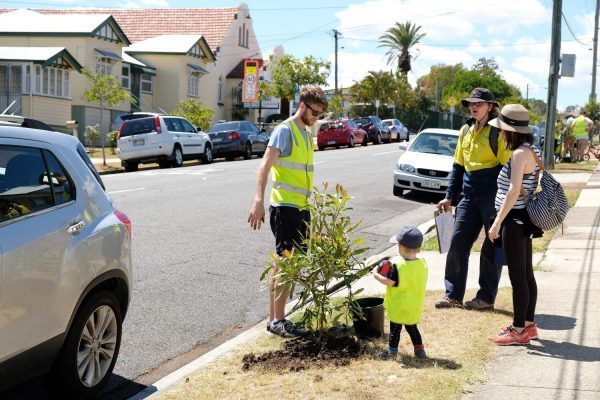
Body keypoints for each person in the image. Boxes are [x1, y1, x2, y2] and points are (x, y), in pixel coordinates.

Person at [248, 85, 328, 338]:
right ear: (302, 106)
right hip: (284, 207)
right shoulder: (285, 130)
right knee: (284, 264)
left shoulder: (305, 134)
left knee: (289, 264)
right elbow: (264, 166)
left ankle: (276, 319)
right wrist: (258, 201)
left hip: (301, 208)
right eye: (315, 113)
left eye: (320, 115)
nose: (317, 118)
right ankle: (277, 321)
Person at [435, 87, 512, 310]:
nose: (474, 107)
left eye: (479, 103)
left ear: (490, 106)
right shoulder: (465, 131)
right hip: (468, 197)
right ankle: (453, 295)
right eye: (471, 103)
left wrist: (504, 201)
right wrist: (449, 197)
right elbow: (458, 167)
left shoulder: (498, 132)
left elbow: (506, 168)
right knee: (458, 242)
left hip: (492, 196)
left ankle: (486, 298)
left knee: (491, 244)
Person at [487, 104, 543, 345]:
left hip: (514, 219)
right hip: (525, 220)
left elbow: (512, 190)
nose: (499, 133)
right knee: (527, 274)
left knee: (518, 277)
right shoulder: (532, 149)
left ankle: (518, 329)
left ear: (511, 131)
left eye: (501, 129)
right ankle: (528, 325)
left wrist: (497, 222)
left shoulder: (519, 153)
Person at [372, 226, 428, 359]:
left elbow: (389, 282)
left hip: (399, 306)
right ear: (419, 248)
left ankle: (392, 353)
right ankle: (419, 351)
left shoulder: (398, 265)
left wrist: (375, 274)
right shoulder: (422, 263)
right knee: (412, 328)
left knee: (395, 330)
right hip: (414, 305)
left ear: (400, 247)